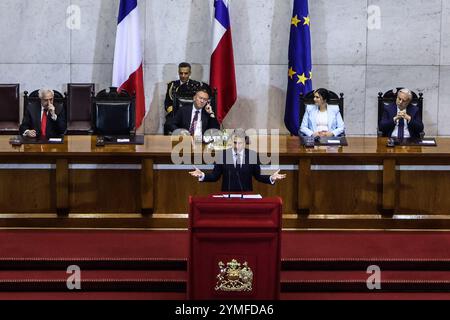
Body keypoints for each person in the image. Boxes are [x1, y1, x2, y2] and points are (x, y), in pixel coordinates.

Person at [189, 132, 286, 192]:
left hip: (246, 197)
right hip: (227, 197)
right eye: (235, 142)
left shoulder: (252, 155)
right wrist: (202, 175)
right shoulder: (223, 155)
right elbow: (215, 176)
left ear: (245, 143)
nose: (237, 146)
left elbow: (258, 176)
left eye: (240, 143)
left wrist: (271, 178)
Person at [164, 62, 208, 133]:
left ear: (190, 73)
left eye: (186, 73)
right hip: (175, 114)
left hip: (191, 114)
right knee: (168, 123)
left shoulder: (196, 86)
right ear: (178, 72)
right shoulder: (172, 85)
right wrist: (177, 113)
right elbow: (167, 104)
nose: (183, 76)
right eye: (181, 73)